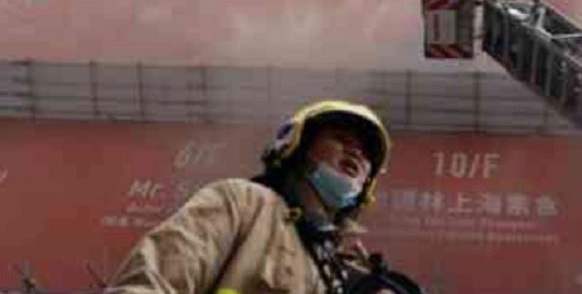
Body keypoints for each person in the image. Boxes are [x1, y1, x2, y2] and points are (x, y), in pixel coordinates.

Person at [111, 100, 414, 294]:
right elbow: (151, 281)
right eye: (341, 139)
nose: (356, 153)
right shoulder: (243, 204)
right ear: (296, 147)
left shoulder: (340, 272)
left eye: (366, 155)